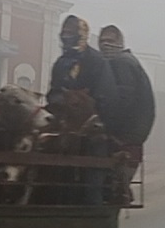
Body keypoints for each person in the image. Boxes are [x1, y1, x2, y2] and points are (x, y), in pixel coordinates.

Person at [48, 15, 116, 204]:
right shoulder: (61, 63)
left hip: (92, 128)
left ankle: (92, 215)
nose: (65, 36)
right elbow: (52, 93)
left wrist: (83, 104)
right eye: (64, 32)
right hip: (64, 127)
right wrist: (64, 101)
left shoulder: (97, 61)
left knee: (92, 177)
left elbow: (106, 96)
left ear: (81, 33)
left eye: (70, 32)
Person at [97, 25, 155, 203]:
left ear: (120, 43)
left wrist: (104, 127)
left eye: (110, 41)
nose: (106, 45)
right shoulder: (121, 63)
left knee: (108, 188)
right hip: (132, 138)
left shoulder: (122, 63)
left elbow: (123, 102)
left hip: (125, 139)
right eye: (102, 41)